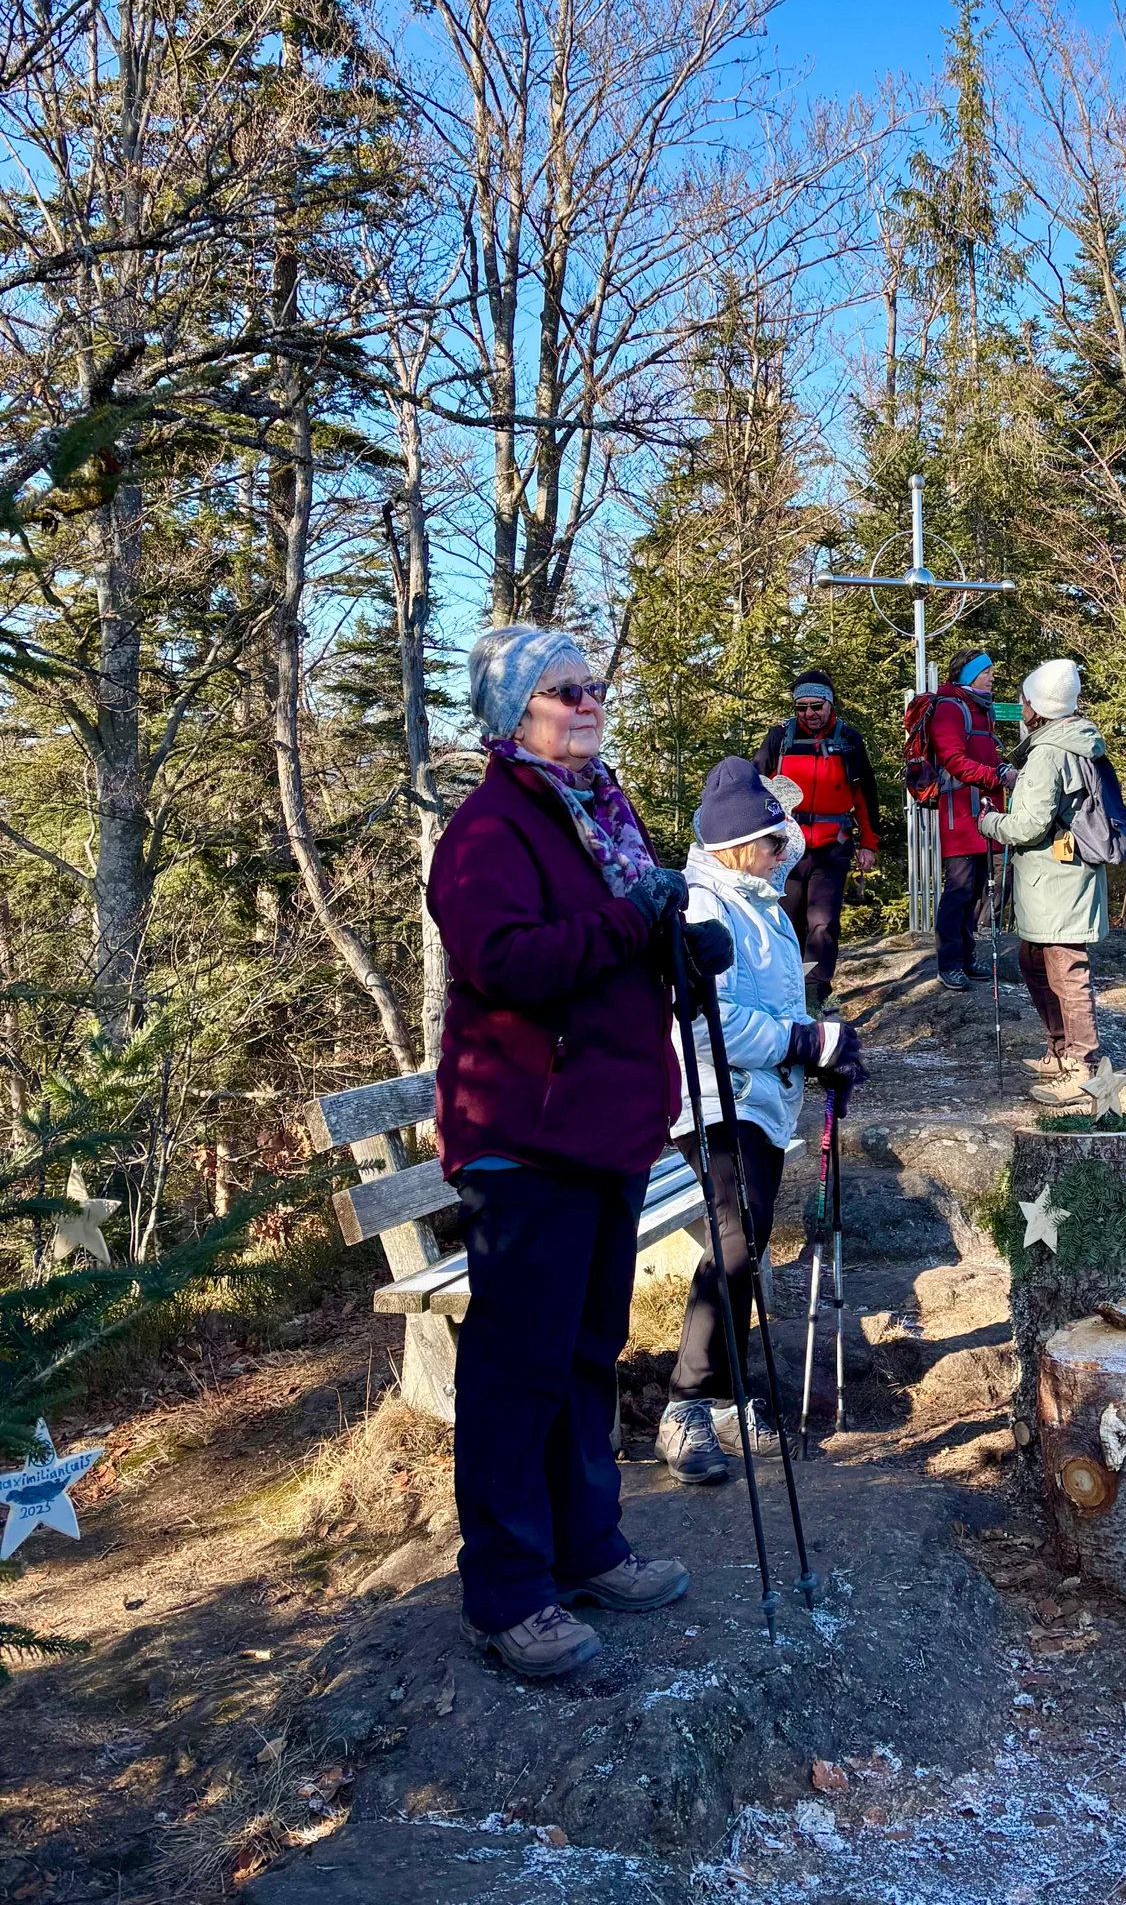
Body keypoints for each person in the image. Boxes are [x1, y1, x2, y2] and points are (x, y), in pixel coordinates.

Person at [430, 625, 724, 1681]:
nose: (589, 701)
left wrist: (678, 945)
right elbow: (506, 963)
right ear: (515, 715)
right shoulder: (486, 829)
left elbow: (619, 928)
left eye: (595, 684)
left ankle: (586, 1545)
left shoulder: (599, 803)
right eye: (564, 690)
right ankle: (508, 1590)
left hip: (608, 1124)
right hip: (527, 1136)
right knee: (520, 1370)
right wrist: (624, 919)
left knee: (587, 1354)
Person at [656, 757, 866, 1484]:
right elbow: (717, 1021)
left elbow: (780, 1012)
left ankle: (721, 1397)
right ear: (741, 842)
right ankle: (684, 1408)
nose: (786, 854)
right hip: (715, 1100)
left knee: (742, 1242)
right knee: (736, 1243)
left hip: (761, 1100)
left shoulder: (760, 901)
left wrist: (822, 1052)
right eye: (776, 842)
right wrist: (805, 1042)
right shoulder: (705, 903)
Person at [977, 660, 1109, 1079]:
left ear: (1035, 706)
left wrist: (987, 821)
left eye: (1024, 700)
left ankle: (1082, 1065)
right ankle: (1060, 1049)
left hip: (1056, 881)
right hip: (1063, 876)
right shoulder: (1076, 741)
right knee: (1034, 960)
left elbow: (1027, 825)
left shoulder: (1048, 752)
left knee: (1065, 970)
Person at [753, 672, 881, 1016]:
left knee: (822, 922)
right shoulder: (779, 737)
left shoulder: (848, 740)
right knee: (784, 920)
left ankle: (815, 992)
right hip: (784, 848)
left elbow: (865, 796)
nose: (809, 713)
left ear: (830, 704)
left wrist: (868, 843)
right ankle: (784, 989)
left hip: (832, 846)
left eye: (816, 706)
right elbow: (755, 787)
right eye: (801, 707)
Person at [928, 647, 1007, 992]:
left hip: (981, 813)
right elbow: (953, 760)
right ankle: (948, 963)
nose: (992, 677)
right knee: (958, 890)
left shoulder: (979, 709)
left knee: (976, 890)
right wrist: (998, 776)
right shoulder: (950, 708)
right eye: (986, 672)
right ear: (969, 676)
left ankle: (965, 956)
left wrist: (998, 771)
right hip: (958, 816)